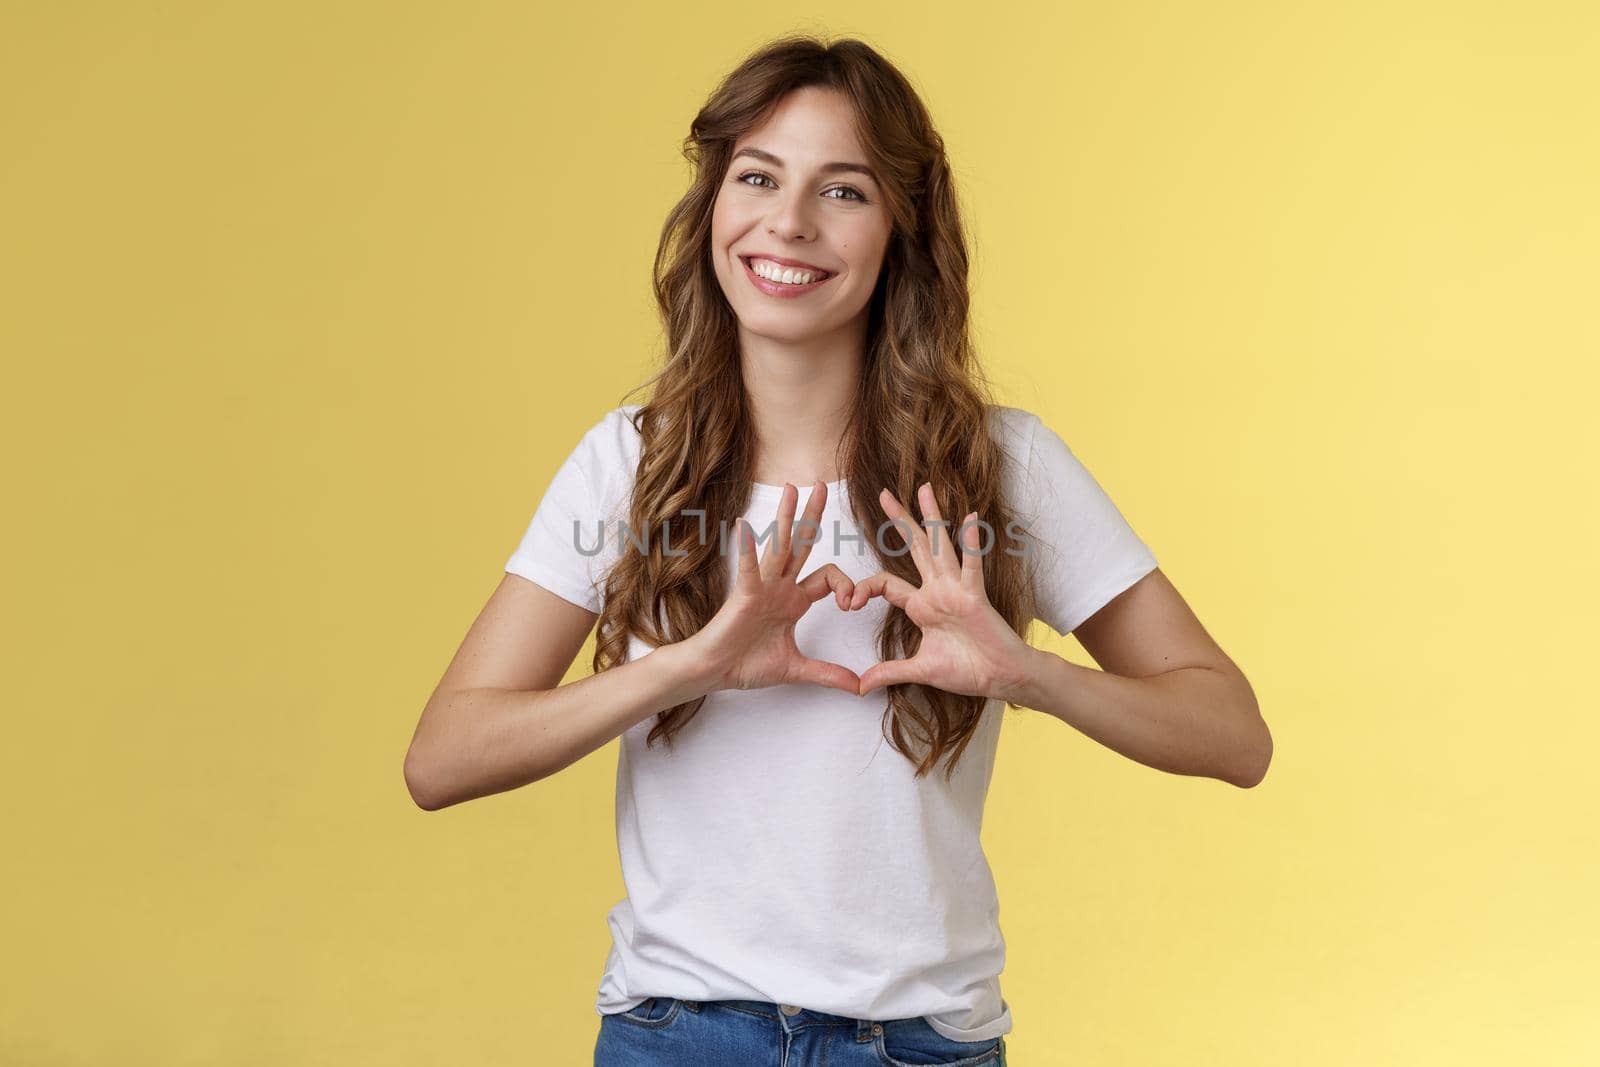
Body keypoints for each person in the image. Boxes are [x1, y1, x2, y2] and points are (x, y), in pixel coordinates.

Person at [403, 33, 1271, 1067]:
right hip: (675, 1035)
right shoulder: (629, 466)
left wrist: (1026, 671)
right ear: (714, 207)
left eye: (844, 190)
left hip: (918, 1046)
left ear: (902, 228)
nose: (789, 222)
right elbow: (441, 758)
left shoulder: (1003, 467)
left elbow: (1233, 735)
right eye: (758, 176)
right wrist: (690, 664)